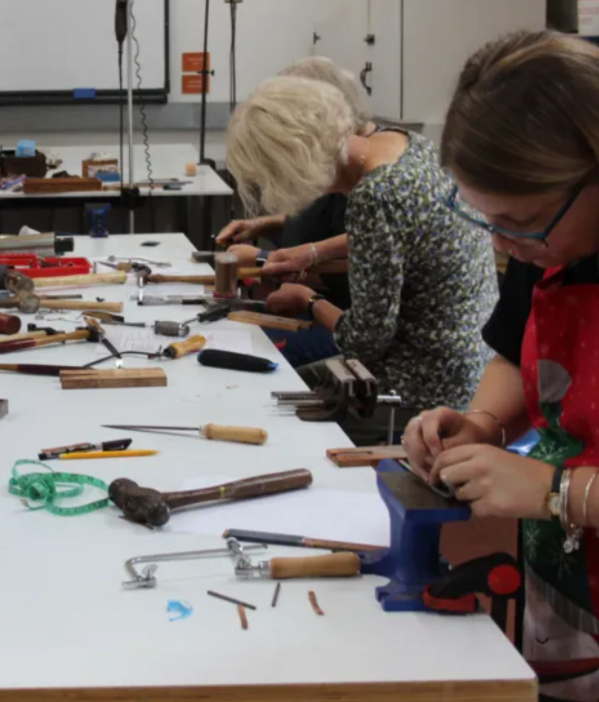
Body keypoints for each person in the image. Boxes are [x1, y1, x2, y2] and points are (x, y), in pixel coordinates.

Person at [403, 31, 599, 701]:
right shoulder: (544, 248)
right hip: (571, 595)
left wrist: (554, 492)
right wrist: (482, 423)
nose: (504, 243)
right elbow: (520, 353)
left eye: (523, 220)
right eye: (487, 219)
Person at [225, 75, 497, 445]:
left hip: (422, 390)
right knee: (269, 385)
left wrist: (308, 300)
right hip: (471, 368)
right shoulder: (403, 143)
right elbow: (406, 232)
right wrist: (315, 251)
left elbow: (363, 340)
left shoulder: (374, 197)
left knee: (261, 414)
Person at [218, 57, 374, 367]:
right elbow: (355, 239)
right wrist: (266, 227)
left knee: (239, 351)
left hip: (343, 322)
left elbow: (367, 333)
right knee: (224, 330)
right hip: (333, 313)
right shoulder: (349, 171)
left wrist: (302, 294)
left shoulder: (370, 186)